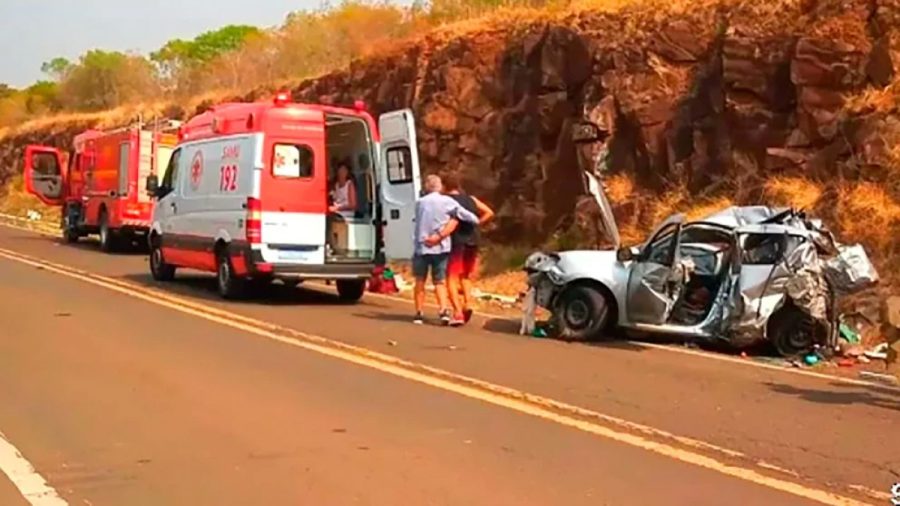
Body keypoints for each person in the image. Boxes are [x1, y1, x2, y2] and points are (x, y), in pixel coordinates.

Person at [413, 174, 479, 325]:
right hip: (440, 247)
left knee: (420, 280)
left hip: (422, 246)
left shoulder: (419, 203)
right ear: (440, 186)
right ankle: (443, 311)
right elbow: (471, 218)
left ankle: (418, 313)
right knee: (440, 281)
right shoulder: (447, 202)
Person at [442, 174, 494, 326]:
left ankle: (457, 312)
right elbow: (489, 212)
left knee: (450, 278)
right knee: (465, 276)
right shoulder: (471, 199)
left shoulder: (446, 201)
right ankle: (468, 304)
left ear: (445, 187)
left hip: (456, 241)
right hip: (473, 240)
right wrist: (477, 224)